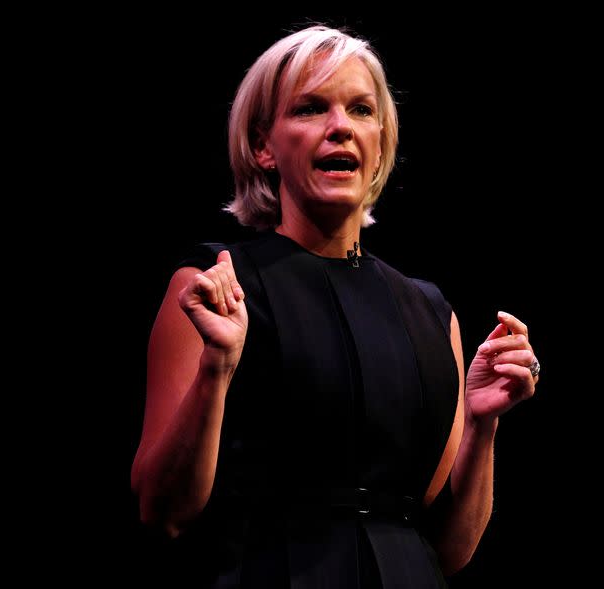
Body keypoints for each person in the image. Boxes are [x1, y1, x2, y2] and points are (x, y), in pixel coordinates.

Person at [130, 24, 540, 588]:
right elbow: (163, 511)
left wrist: (482, 425)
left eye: (361, 110)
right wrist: (216, 369)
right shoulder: (213, 288)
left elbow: (449, 550)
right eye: (310, 108)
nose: (341, 127)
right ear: (262, 146)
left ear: (379, 148)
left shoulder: (429, 313)